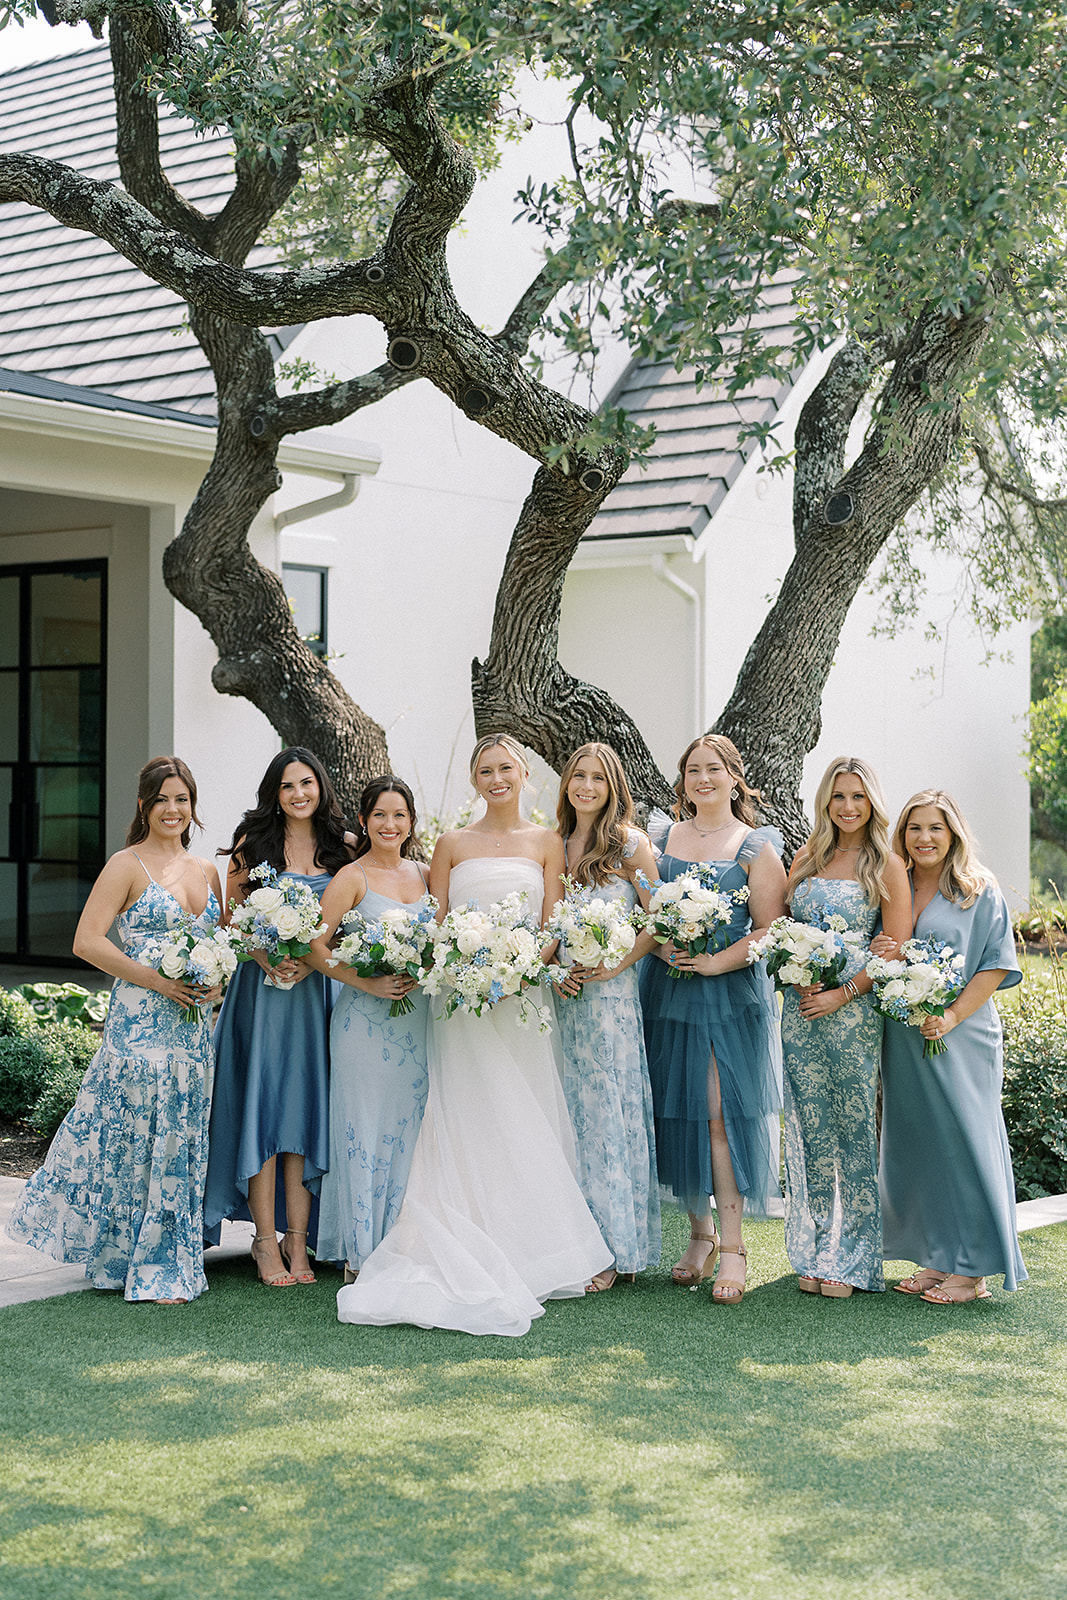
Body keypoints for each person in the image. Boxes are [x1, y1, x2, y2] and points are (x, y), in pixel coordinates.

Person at [336, 732, 611, 1336]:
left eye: (505, 768)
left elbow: (552, 923)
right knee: (465, 1111)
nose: (496, 779)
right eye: (485, 770)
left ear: (524, 775)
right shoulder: (451, 844)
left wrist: (519, 969)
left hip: (520, 998)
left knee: (525, 1108)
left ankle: (541, 1246)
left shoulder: (546, 843)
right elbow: (435, 922)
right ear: (473, 779)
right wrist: (462, 967)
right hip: (458, 1003)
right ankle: (462, 1230)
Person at [6, 757, 223, 1305]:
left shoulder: (206, 871)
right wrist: (157, 980)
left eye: (182, 799)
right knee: (133, 1138)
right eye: (163, 800)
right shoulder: (126, 865)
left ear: (192, 806)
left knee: (180, 1137)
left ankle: (171, 1256)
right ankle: (133, 1261)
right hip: (140, 1024)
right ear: (145, 806)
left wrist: (216, 984)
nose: (173, 810)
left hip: (193, 1030)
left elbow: (219, 949)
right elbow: (87, 941)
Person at [640, 734, 787, 1303]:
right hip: (667, 989)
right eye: (693, 770)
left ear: (734, 777)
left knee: (718, 1117)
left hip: (726, 996)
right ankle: (698, 1235)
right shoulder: (659, 839)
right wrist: (664, 952)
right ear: (684, 781)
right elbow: (642, 917)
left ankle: (734, 1248)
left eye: (714, 769)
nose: (704, 779)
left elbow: (770, 930)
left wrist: (712, 963)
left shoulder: (754, 846)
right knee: (676, 1112)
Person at [203, 747, 351, 1288]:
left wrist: (315, 961)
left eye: (307, 783)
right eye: (288, 786)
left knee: (304, 1110)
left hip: (316, 996)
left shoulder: (344, 847)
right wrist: (268, 956)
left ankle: (298, 1239)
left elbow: (354, 918)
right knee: (263, 1108)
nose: (298, 794)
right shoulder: (252, 844)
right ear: (275, 791)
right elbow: (232, 921)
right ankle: (264, 1243)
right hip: (260, 995)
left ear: (321, 787)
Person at [879, 789, 1027, 1303]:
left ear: (953, 833)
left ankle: (973, 1269)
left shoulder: (977, 890)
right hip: (905, 1033)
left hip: (960, 1033)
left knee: (965, 1140)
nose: (924, 838)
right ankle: (935, 1255)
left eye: (935, 828)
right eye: (915, 828)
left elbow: (996, 964)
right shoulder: (890, 885)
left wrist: (951, 1015)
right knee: (920, 1143)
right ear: (902, 834)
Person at [779, 757, 911, 1298]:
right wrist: (792, 965)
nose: (848, 806)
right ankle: (812, 1249)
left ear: (871, 802)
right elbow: (782, 919)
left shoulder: (889, 865)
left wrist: (843, 992)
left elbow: (896, 950)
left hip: (852, 1012)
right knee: (810, 1126)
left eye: (858, 796)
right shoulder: (809, 854)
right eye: (839, 796)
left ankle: (853, 1259)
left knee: (853, 1129)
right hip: (800, 1008)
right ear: (826, 801)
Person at [308, 776, 431, 1282]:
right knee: (365, 1124)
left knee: (411, 1130)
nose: (389, 824)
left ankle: (403, 1241)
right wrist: (366, 981)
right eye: (380, 815)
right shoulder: (351, 878)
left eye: (399, 815)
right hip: (363, 1021)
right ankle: (361, 1250)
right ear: (364, 820)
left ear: (410, 822)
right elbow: (313, 947)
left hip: (417, 1023)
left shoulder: (426, 875)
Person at [553, 742, 661, 1290]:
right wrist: (556, 972)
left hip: (610, 999)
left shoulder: (630, 846)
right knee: (564, 1116)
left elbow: (655, 919)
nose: (587, 786)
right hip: (559, 1000)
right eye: (578, 776)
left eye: (598, 777)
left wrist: (614, 960)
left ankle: (613, 1246)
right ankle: (565, 1239)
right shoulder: (552, 844)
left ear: (613, 786)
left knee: (606, 1115)